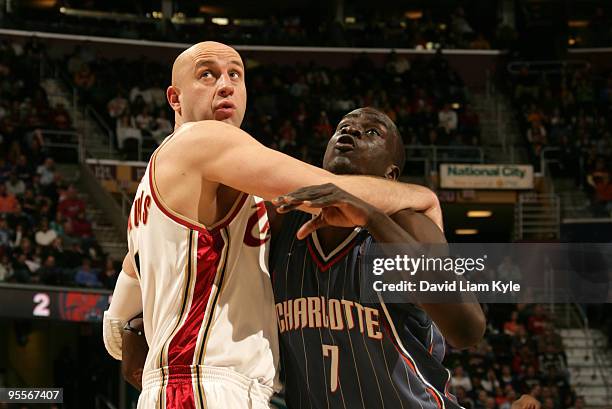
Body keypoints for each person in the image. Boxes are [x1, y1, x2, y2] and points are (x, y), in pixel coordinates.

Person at [103, 42, 442, 409]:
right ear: (175, 98)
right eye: (207, 74)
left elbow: (123, 303)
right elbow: (331, 192)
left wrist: (130, 332)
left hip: (182, 385)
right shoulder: (204, 138)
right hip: (207, 385)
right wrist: (421, 196)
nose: (226, 84)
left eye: (235, 74)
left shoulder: (152, 187)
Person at [269, 107, 485, 408]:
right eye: (343, 126)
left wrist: (372, 217)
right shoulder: (284, 224)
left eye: (372, 132)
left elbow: (467, 329)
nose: (351, 131)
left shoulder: (408, 224)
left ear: (391, 174)